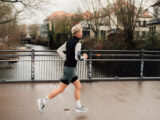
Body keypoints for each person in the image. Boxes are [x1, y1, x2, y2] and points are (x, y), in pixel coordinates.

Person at [37, 23, 88, 113]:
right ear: (77, 33)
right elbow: (77, 57)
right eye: (81, 32)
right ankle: (43, 101)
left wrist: (66, 58)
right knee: (61, 88)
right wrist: (84, 57)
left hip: (68, 68)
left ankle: (78, 106)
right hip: (70, 69)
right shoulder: (78, 44)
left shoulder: (67, 42)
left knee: (78, 86)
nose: (82, 33)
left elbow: (59, 50)